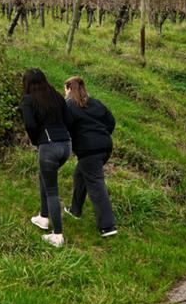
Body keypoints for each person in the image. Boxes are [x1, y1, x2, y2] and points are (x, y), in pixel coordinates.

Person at [21, 68, 72, 247]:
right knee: (45, 177)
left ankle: (57, 235)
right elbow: (68, 119)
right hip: (66, 145)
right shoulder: (57, 96)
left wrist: (37, 141)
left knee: (52, 190)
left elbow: (29, 124)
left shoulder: (28, 100)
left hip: (49, 146)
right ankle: (43, 217)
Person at [62, 76, 118, 237]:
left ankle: (108, 226)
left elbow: (65, 126)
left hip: (89, 150)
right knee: (80, 174)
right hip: (105, 146)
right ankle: (75, 210)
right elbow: (111, 121)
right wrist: (101, 135)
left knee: (96, 183)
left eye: (65, 89)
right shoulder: (95, 103)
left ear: (69, 89)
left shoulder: (69, 105)